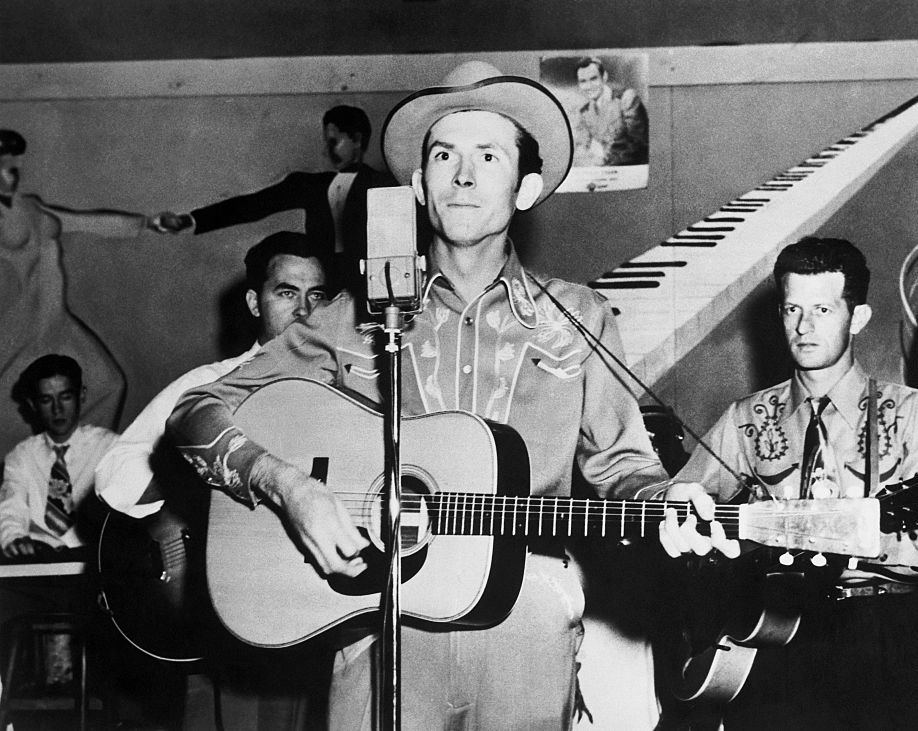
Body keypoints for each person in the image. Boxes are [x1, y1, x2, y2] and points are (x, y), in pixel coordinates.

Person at [167, 61, 729, 730]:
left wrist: (665, 501)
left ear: (524, 189)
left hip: (527, 617)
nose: (463, 175)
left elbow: (621, 466)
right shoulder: (353, 317)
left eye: (488, 155)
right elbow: (195, 412)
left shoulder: (578, 318)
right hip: (380, 626)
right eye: (443, 155)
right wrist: (286, 485)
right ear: (417, 184)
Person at [662, 237, 918, 729]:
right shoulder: (744, 419)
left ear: (857, 318)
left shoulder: (913, 413)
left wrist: (854, 537)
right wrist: (698, 546)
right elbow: (680, 511)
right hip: (775, 642)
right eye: (791, 309)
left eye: (822, 309)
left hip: (886, 636)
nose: (803, 327)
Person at [94, 231, 330, 731]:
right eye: (287, 293)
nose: (305, 312)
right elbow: (115, 473)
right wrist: (200, 490)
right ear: (253, 301)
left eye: (317, 296)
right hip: (230, 607)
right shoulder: (209, 386)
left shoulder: (348, 388)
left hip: (316, 606)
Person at [0, 129, 161, 460]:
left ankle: (75, 467)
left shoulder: (31, 207)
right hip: (21, 328)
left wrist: (148, 223)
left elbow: (86, 222)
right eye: (0, 169)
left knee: (109, 385)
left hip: (57, 323)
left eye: (13, 169)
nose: (9, 178)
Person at [155, 105, 396, 290]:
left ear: (357, 140)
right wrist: (189, 220)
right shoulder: (310, 185)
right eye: (326, 142)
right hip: (317, 287)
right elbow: (252, 205)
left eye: (334, 141)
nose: (327, 150)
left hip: (366, 288)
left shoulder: (384, 185)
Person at [0, 354, 117, 557]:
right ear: (32, 404)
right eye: (46, 400)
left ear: (81, 395)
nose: (57, 409)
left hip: (96, 560)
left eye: (66, 396)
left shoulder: (110, 446)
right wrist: (14, 539)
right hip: (39, 563)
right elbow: (11, 509)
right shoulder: (21, 456)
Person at [572, 57, 649, 167]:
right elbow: (580, 148)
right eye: (583, 81)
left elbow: (640, 145)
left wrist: (603, 161)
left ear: (604, 77)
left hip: (632, 171)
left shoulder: (627, 99)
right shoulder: (585, 112)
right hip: (606, 172)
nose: (588, 86)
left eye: (593, 79)